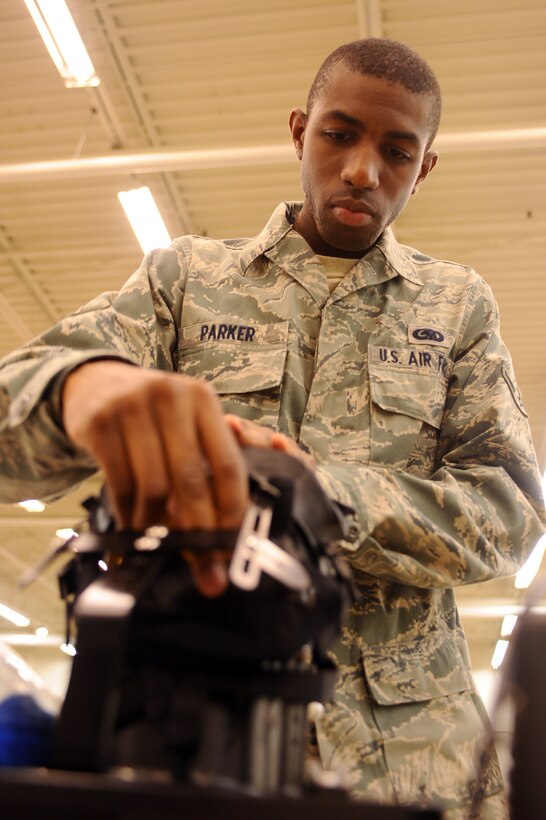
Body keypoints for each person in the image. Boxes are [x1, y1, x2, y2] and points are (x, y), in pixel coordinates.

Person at [0, 37, 544, 818]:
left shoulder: (456, 306)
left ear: (423, 168)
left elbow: (510, 511)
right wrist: (76, 386)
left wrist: (315, 496)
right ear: (299, 131)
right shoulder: (183, 280)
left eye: (397, 150)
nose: (362, 170)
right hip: (192, 738)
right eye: (338, 134)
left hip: (409, 761)